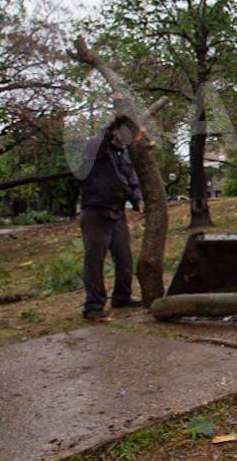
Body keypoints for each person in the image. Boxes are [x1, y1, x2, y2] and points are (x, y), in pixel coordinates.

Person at [73, 118, 144, 321]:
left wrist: (137, 199)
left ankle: (122, 297)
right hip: (96, 212)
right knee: (95, 260)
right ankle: (93, 306)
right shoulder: (97, 147)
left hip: (117, 212)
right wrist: (116, 119)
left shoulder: (125, 153)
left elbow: (131, 178)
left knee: (124, 257)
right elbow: (101, 139)